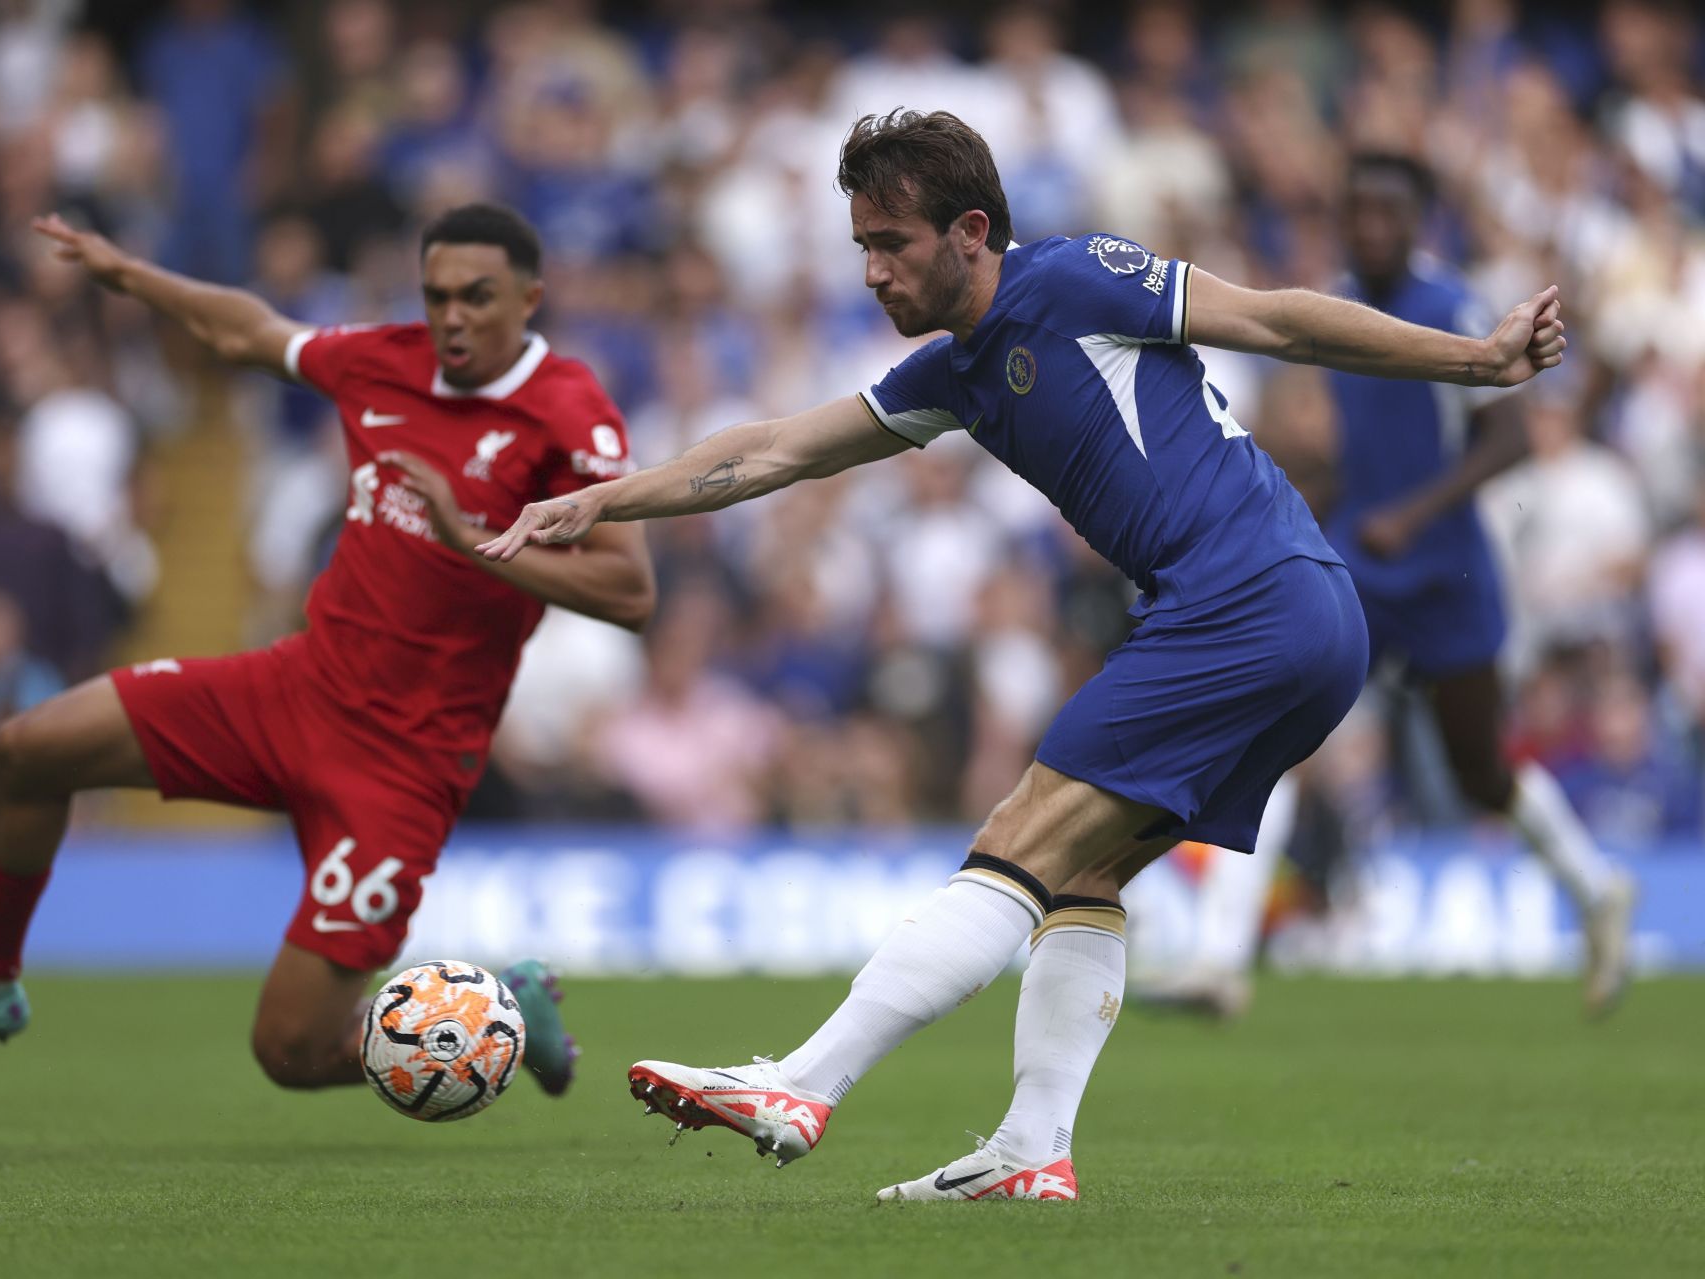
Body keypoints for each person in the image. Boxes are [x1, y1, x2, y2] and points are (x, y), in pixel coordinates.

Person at [461, 111, 1565, 1203]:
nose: (873, 274)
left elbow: (1274, 320)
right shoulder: (955, 374)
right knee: (1082, 873)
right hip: (1288, 618)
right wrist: (606, 499)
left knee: (1016, 839)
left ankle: (802, 1082)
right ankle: (1032, 1147)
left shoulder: (1079, 277)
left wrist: (1473, 360)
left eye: (891, 245)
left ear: (972, 231)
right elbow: (774, 451)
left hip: (1252, 597)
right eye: (860, 249)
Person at [0, 202, 657, 1098]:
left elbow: (630, 589)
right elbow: (247, 331)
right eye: (437, 296)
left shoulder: (568, 410)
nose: (453, 317)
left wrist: (470, 538)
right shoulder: (384, 359)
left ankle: (498, 1011)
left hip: (403, 764)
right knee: (28, 751)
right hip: (294, 689)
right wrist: (129, 273)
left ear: (530, 296)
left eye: (477, 296)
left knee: (292, 1053)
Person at [1147, 153, 1635, 1020]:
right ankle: (1219, 960)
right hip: (1362, 568)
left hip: (1446, 572)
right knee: (1275, 735)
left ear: (1420, 223)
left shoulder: (1453, 308)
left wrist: (1411, 513)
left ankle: (1598, 892)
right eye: (1358, 211)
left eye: (1389, 212)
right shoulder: (1339, 307)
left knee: (1481, 771)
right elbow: (1354, 449)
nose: (1371, 226)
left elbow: (1511, 441)